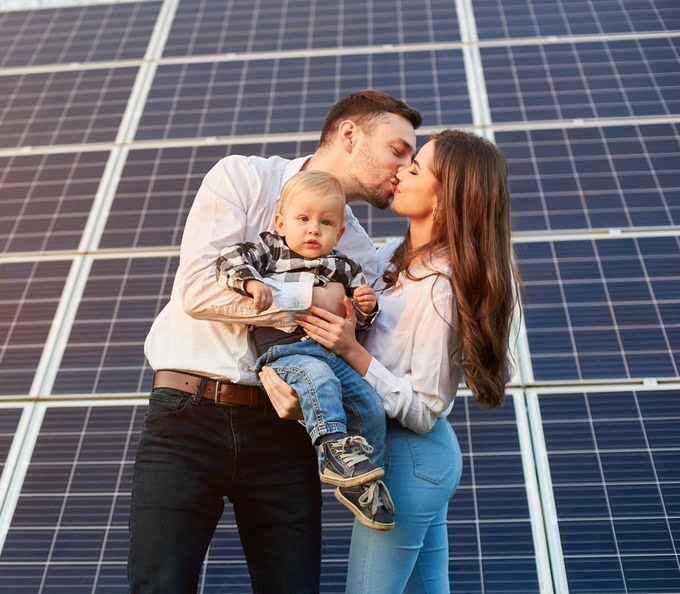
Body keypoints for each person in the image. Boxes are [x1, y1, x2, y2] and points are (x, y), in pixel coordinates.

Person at [129, 89, 420, 594]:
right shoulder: (241, 178)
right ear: (350, 134)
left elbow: (349, 341)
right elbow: (199, 291)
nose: (405, 167)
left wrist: (345, 319)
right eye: (399, 149)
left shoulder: (360, 255)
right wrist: (313, 297)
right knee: (160, 586)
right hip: (187, 415)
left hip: (285, 431)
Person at [261, 130, 518, 593]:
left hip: (412, 458)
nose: (401, 171)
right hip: (407, 458)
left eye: (415, 168)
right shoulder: (389, 260)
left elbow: (423, 409)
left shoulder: (439, 287)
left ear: (442, 201)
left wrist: (352, 351)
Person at [213, 169, 393, 530]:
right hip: (286, 354)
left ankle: (364, 480)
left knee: (370, 405)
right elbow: (228, 258)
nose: (313, 229)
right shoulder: (271, 249)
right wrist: (250, 282)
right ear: (281, 222)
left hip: (331, 351)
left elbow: (358, 324)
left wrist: (366, 307)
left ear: (339, 232)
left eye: (325, 222)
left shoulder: (344, 266)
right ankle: (332, 451)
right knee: (319, 379)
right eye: (303, 219)